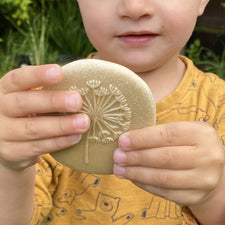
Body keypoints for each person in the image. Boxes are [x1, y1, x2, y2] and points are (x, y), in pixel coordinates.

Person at [0, 0, 225, 224]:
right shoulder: (41, 111)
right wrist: (8, 165)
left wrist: (213, 195)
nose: (135, 8)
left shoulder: (219, 106)